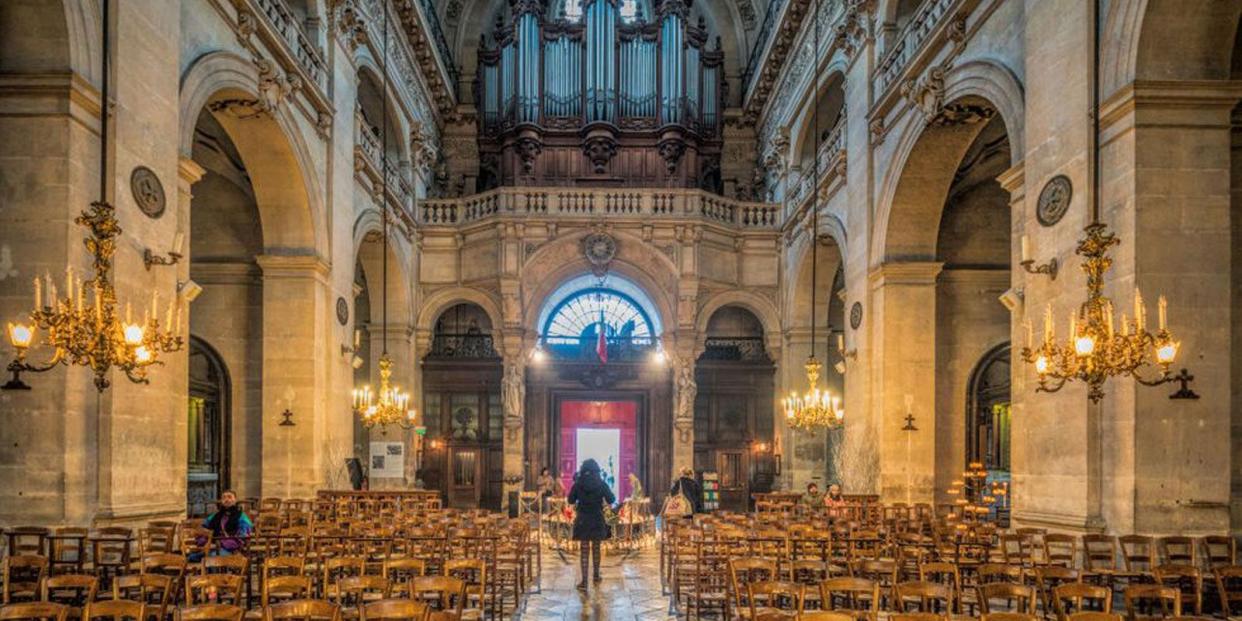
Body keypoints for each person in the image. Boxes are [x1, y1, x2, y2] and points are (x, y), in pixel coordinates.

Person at [567, 459, 616, 591]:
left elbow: (570, 499)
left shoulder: (578, 484)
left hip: (583, 519)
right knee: (596, 548)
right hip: (597, 518)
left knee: (584, 550)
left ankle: (584, 581)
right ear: (597, 471)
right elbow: (612, 499)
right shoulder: (601, 483)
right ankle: (596, 575)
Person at [201, 490, 252, 558]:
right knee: (191, 557)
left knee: (212, 557)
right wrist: (206, 542)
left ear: (235, 500)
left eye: (229, 497)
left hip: (232, 549)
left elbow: (242, 536)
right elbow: (203, 529)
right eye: (224, 497)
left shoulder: (242, 516)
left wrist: (221, 544)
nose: (226, 499)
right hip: (212, 546)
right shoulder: (215, 516)